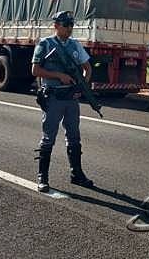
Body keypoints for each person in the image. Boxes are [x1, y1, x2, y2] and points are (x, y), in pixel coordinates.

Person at [31, 11, 94, 193]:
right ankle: (43, 177)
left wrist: (82, 85)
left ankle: (77, 174)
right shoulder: (45, 44)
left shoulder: (75, 45)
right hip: (53, 97)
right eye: (65, 25)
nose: (69, 28)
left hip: (70, 99)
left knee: (74, 136)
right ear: (56, 26)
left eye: (71, 25)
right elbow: (35, 70)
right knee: (48, 137)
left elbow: (87, 67)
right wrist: (59, 75)